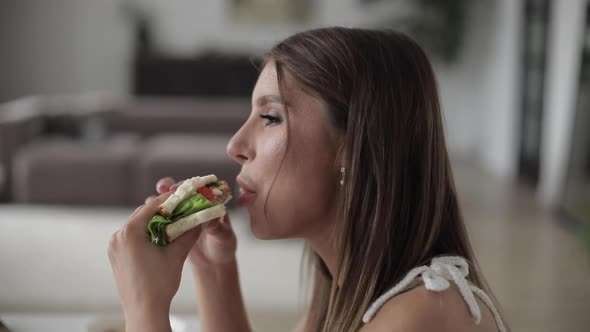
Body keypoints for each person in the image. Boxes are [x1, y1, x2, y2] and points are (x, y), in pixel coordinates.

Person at [108, 27, 508, 332]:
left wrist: (144, 307)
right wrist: (215, 269)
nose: (235, 145)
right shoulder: (342, 294)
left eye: (270, 117)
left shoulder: (420, 315)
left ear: (351, 148)